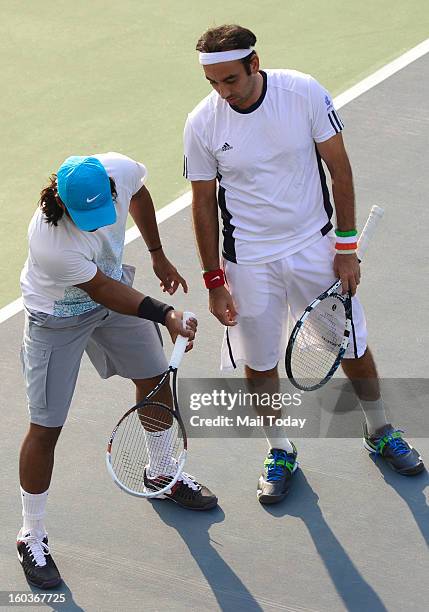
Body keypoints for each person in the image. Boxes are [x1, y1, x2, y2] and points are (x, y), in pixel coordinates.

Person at [184, 24, 424, 505]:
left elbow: (340, 169)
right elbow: (203, 204)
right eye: (212, 83)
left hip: (314, 247)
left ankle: (379, 429)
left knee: (352, 345)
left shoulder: (303, 93)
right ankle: (280, 449)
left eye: (229, 80)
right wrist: (214, 280)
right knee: (260, 364)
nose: (222, 92)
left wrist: (346, 247)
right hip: (248, 259)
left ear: (255, 64)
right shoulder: (202, 123)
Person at [18, 152, 217, 589]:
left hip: (112, 292)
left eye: (102, 210)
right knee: (46, 426)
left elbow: (141, 195)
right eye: (85, 217)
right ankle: (31, 533)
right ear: (63, 206)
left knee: (154, 378)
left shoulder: (120, 170)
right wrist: (165, 314)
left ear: (111, 187)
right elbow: (103, 290)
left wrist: (157, 254)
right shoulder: (51, 243)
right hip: (58, 316)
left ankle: (162, 471)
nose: (96, 223)